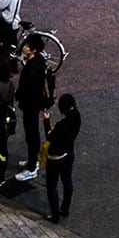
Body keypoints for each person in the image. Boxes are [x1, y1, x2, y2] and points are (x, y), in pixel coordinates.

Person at [13, 35, 53, 182]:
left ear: (33, 49)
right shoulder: (39, 61)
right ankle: (33, 159)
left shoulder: (32, 68)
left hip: (31, 105)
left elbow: (28, 89)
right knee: (32, 133)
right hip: (34, 104)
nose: (24, 47)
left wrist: (19, 95)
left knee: (32, 134)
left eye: (27, 46)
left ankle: (32, 167)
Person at [44, 93, 81, 222]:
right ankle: (65, 208)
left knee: (52, 185)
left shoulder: (61, 126)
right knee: (67, 181)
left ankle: (54, 215)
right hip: (68, 153)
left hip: (55, 157)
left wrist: (46, 121)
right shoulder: (77, 118)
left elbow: (49, 137)